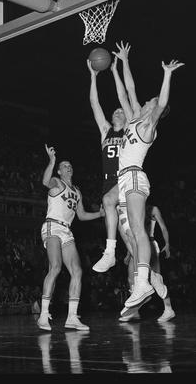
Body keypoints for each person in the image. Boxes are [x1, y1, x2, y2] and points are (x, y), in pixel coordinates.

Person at [111, 45, 184, 310]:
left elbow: (161, 104)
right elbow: (126, 91)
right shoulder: (133, 119)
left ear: (153, 111)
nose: (144, 102)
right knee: (131, 234)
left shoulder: (147, 126)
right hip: (124, 181)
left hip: (133, 177)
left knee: (139, 231)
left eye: (149, 102)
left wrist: (167, 74)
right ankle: (153, 279)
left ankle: (142, 283)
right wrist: (123, 62)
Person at [37, 145, 105, 331]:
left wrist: (100, 214)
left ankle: (72, 317)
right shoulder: (57, 183)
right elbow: (45, 181)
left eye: (70, 165)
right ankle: (43, 315)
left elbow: (81, 215)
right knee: (55, 267)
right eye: (64, 165)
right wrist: (52, 161)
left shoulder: (77, 191)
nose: (68, 167)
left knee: (77, 271)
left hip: (66, 230)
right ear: (59, 171)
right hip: (52, 226)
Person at [86, 51, 130, 273]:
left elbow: (124, 97)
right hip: (108, 182)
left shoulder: (129, 131)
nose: (119, 111)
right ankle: (150, 276)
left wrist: (115, 72)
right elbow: (94, 103)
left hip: (124, 179)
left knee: (107, 201)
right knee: (126, 235)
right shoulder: (106, 131)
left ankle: (109, 252)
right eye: (116, 111)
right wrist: (93, 77)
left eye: (122, 111)